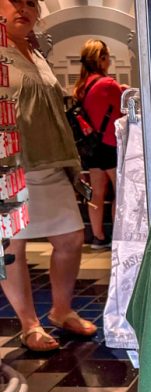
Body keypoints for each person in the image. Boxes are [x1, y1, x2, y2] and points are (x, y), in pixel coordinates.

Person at [0, 0, 97, 351]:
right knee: (12, 246)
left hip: (51, 160)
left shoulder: (35, 52)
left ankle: (61, 310)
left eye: (30, 3)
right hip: (11, 164)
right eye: (15, 2)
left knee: (71, 239)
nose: (23, 9)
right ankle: (30, 324)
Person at [73, 39, 124, 249]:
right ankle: (119, 236)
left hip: (91, 147)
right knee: (120, 192)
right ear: (101, 59)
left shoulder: (81, 86)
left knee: (96, 193)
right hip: (111, 145)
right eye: (108, 57)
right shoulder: (109, 85)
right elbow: (122, 110)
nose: (109, 61)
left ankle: (98, 237)